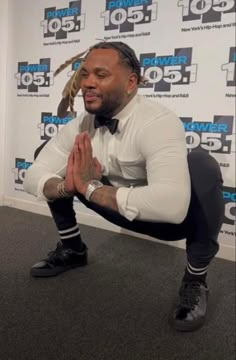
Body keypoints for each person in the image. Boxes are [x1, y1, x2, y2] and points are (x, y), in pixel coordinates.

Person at [24, 41, 224, 332]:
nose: (87, 83)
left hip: (164, 220)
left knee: (202, 166)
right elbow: (34, 175)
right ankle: (73, 250)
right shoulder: (81, 124)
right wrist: (68, 185)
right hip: (109, 204)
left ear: (131, 83)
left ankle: (195, 281)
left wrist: (90, 188)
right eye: (84, 74)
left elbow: (171, 206)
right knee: (52, 161)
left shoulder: (158, 121)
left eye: (101, 75)